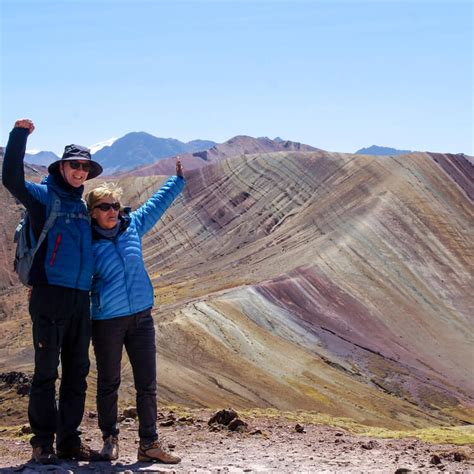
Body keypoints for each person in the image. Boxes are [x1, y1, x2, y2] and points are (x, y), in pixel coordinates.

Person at [2, 119, 103, 464]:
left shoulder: (81, 205)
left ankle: (69, 441)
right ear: (61, 166)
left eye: (85, 166)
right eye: (74, 164)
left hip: (79, 299)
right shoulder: (45, 198)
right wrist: (18, 137)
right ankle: (42, 442)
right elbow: (11, 180)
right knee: (47, 371)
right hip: (49, 295)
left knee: (77, 371)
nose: (79, 171)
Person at [85, 160, 185, 464]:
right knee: (108, 383)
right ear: (92, 213)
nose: (112, 211)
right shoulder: (85, 242)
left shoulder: (132, 226)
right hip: (107, 321)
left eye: (115, 205)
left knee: (147, 383)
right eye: (104, 207)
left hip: (142, 317)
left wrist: (177, 181)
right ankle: (109, 440)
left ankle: (149, 443)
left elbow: (156, 205)